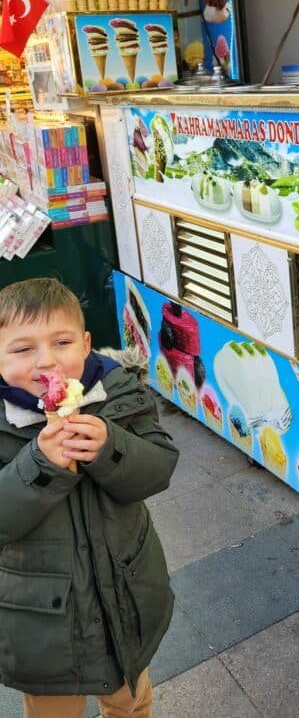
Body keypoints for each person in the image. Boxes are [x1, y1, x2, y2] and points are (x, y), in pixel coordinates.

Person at [0, 277, 179, 718]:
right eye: (23, 349)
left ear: (85, 344)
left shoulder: (119, 394)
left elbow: (158, 468)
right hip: (42, 624)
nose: (47, 361)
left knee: (132, 705)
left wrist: (111, 447)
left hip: (125, 600)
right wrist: (39, 464)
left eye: (61, 342)